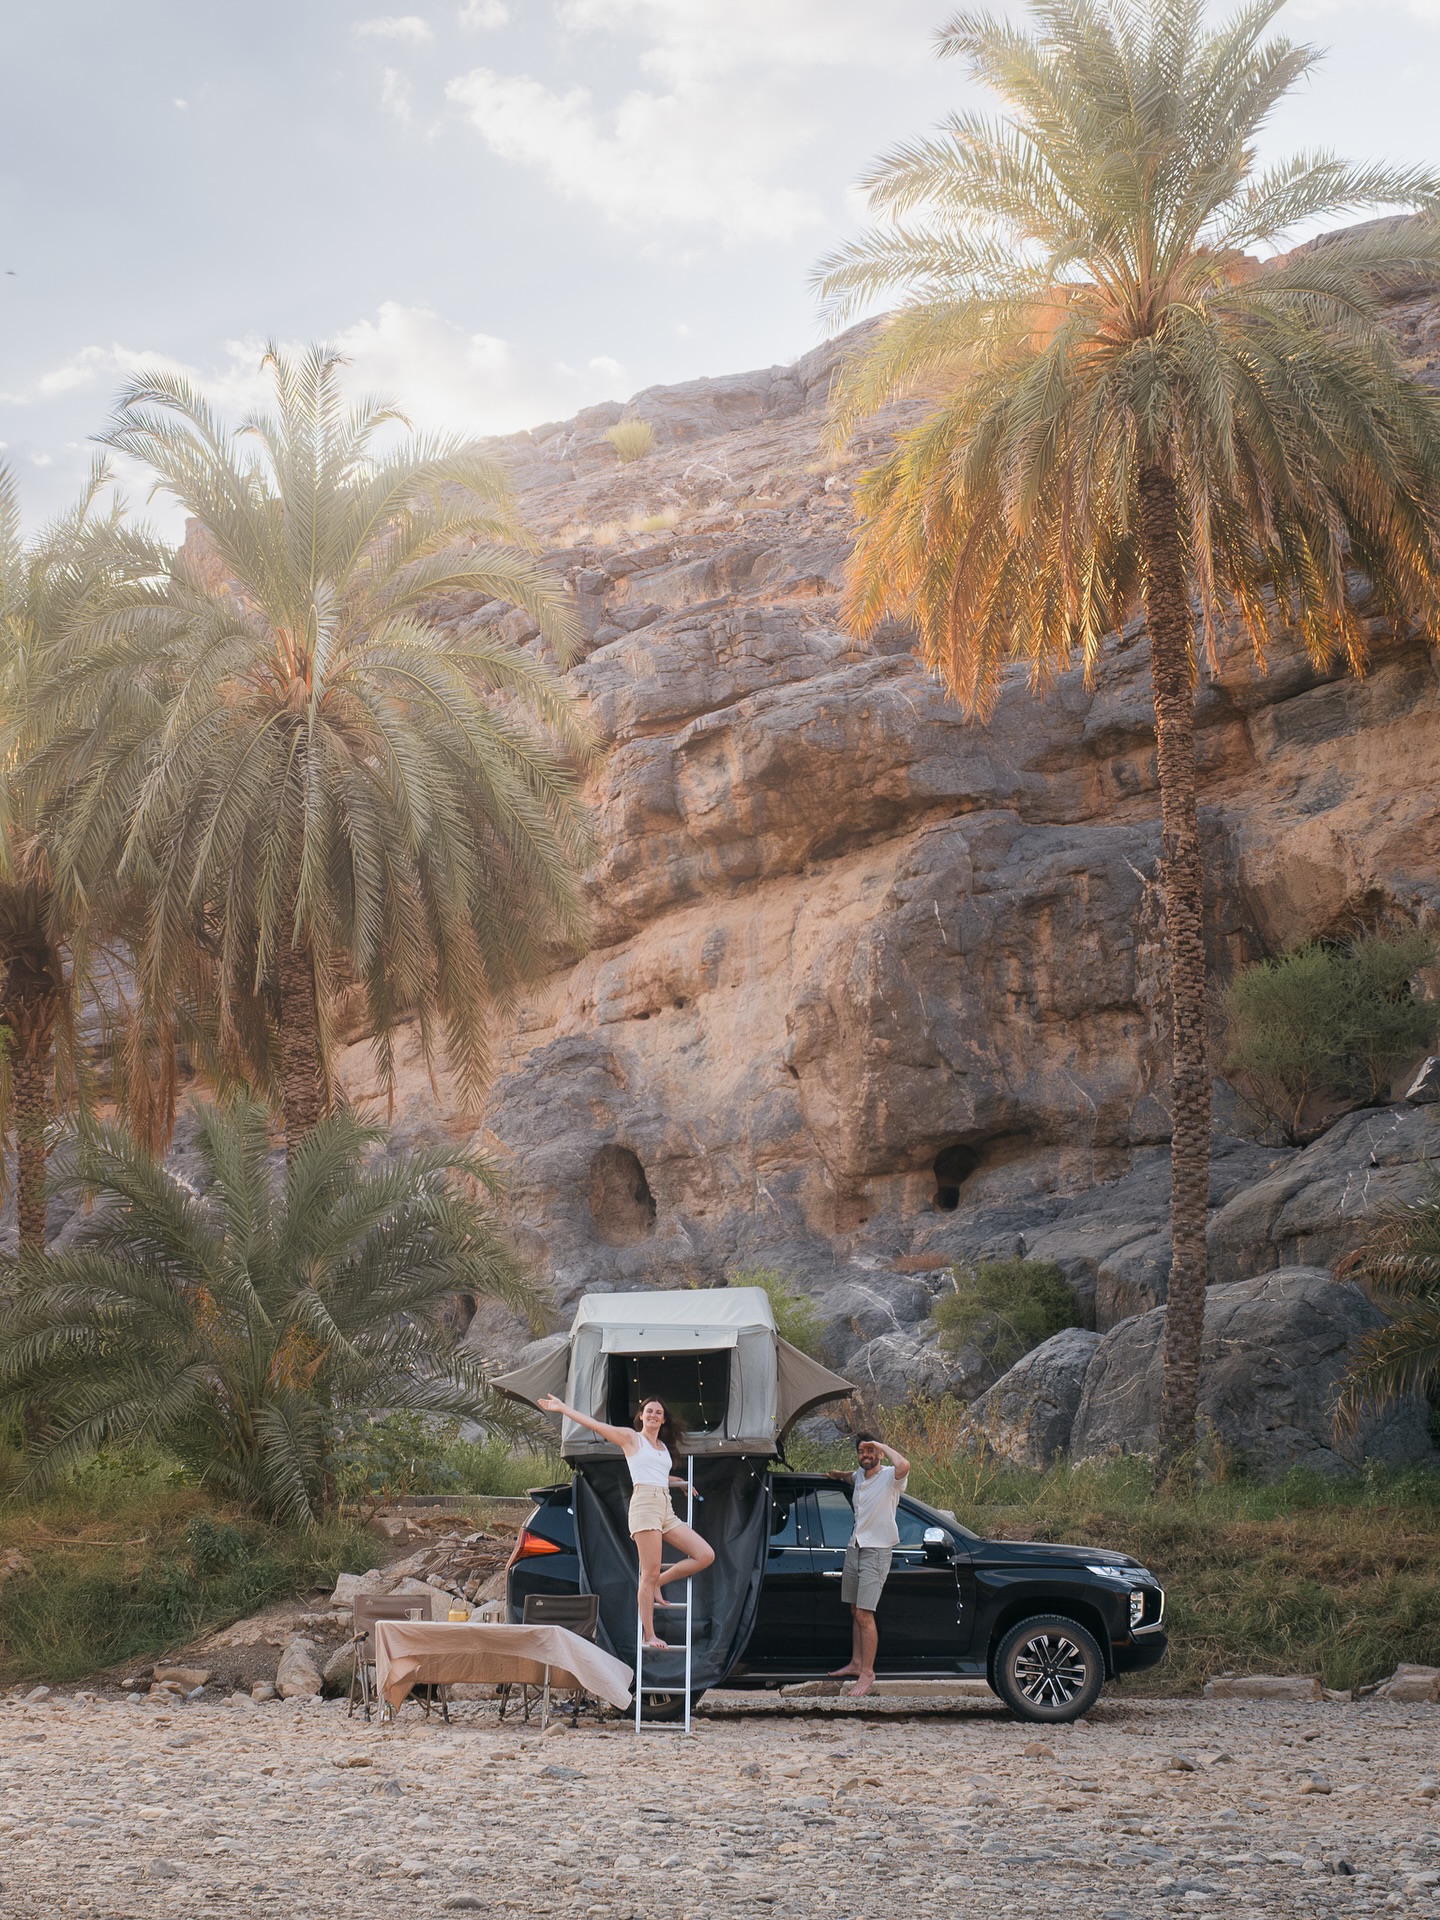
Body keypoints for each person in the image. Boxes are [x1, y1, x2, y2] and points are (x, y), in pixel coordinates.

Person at [537, 1391, 715, 1652]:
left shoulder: (662, 1448)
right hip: (644, 1506)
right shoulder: (632, 1439)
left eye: (658, 1412)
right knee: (648, 1573)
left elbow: (656, 1474)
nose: (654, 1415)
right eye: (649, 1411)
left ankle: (659, 1584)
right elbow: (596, 1425)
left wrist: (678, 1482)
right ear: (641, 1416)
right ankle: (649, 1634)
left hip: (665, 1506)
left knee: (705, 1554)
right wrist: (563, 1409)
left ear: (663, 1420)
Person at [826, 1432, 911, 1697]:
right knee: (854, 1609)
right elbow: (850, 1475)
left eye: (871, 1452)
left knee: (865, 1613)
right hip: (856, 1546)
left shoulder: (890, 1477)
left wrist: (881, 1445)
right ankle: (856, 1663)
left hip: (877, 1550)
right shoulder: (860, 1476)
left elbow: (904, 1465)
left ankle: (868, 1673)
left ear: (880, 1454)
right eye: (862, 1452)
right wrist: (836, 1475)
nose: (866, 1456)